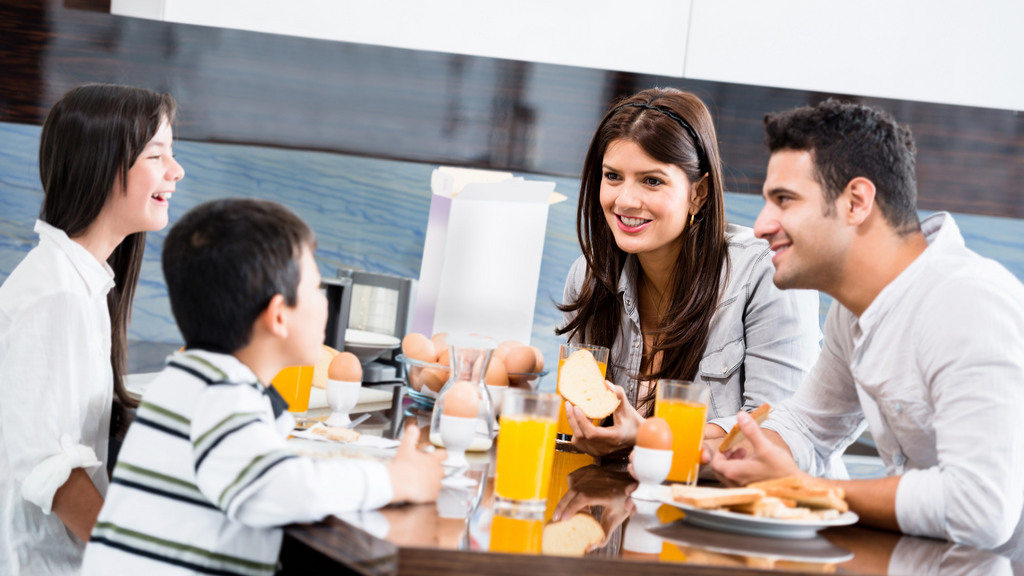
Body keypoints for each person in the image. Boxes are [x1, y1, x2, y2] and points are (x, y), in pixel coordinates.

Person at [709, 99, 1024, 549]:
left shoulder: (968, 302)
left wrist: (809, 491)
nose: (761, 225)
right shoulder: (854, 310)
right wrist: (719, 453)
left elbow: (981, 509)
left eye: (784, 200)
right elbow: (808, 425)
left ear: (856, 202)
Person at [82, 198, 446, 575]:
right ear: (277, 316)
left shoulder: (190, 380)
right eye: (317, 289)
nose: (325, 306)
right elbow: (273, 487)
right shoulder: (219, 393)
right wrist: (396, 480)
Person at [559, 88, 821, 457]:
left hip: (752, 506)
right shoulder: (588, 277)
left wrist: (645, 435)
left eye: (652, 180)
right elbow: (577, 418)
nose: (626, 200)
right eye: (613, 176)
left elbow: (780, 431)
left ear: (698, 193)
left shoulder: (766, 272)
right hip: (631, 499)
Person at [0, 84, 183, 574]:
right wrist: (137, 562)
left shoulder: (79, 280)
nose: (176, 170)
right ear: (103, 165)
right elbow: (51, 471)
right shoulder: (56, 294)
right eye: (157, 155)